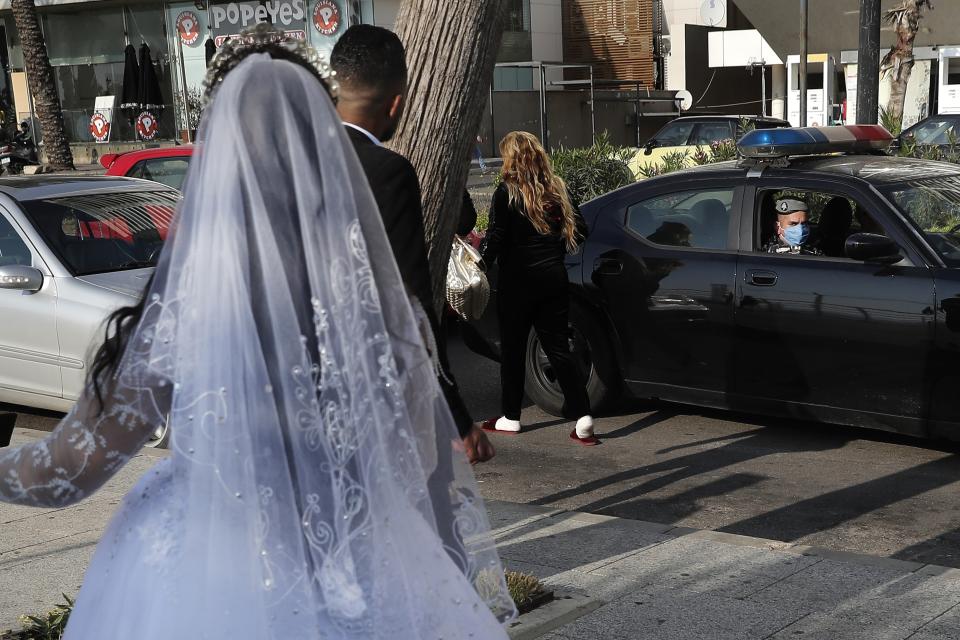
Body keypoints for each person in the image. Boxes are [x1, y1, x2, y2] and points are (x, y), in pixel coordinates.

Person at [0, 29, 515, 637]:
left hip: (207, 578)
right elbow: (413, 442)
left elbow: (68, 472)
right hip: (356, 564)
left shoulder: (187, 309)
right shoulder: (364, 306)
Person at [330, 25, 496, 464]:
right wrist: (456, 418)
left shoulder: (284, 160)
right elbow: (414, 306)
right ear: (396, 104)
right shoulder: (387, 174)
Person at [481, 131, 598, 445]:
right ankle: (583, 417)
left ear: (511, 159)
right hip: (553, 278)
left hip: (517, 283)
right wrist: (556, 247)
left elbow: (496, 239)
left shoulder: (506, 193)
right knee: (559, 348)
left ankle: (511, 417)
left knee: (514, 350)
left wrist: (478, 264)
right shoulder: (557, 188)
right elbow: (582, 230)